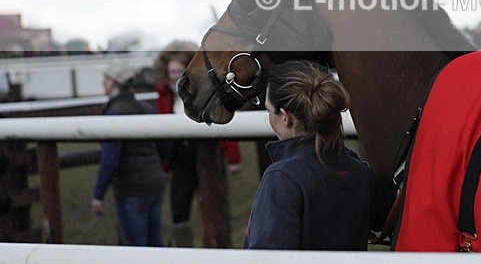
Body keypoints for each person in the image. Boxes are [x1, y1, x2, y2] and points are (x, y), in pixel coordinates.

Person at [243, 60, 377, 250]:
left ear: (285, 117)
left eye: (269, 111)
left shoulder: (282, 177)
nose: (269, 118)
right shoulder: (360, 172)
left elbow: (267, 255)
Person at [153, 40, 241, 247]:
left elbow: (224, 123)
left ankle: (217, 247)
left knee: (213, 206)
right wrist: (164, 165)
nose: (174, 76)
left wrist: (234, 158)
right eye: (171, 72)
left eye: (178, 71)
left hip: (207, 155)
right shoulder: (164, 97)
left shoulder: (204, 95)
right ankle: (185, 251)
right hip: (180, 159)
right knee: (179, 209)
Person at [91, 59, 167, 246]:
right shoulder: (146, 109)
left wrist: (98, 194)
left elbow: (110, 159)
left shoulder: (115, 114)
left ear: (114, 82)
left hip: (132, 188)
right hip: (154, 182)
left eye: (106, 78)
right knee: (155, 242)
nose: (103, 82)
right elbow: (164, 144)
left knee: (135, 246)